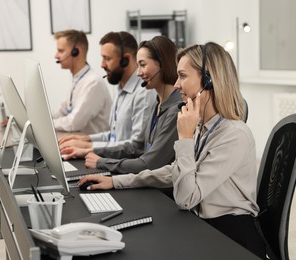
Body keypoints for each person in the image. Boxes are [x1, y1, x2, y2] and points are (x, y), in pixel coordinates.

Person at [77, 42, 267, 258]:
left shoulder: (234, 135)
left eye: (183, 76)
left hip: (233, 237)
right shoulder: (204, 127)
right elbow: (176, 170)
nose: (176, 84)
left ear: (209, 80)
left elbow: (186, 197)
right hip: (205, 225)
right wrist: (117, 181)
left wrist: (185, 138)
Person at [61, 36, 181, 174]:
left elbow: (147, 160)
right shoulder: (158, 102)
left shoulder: (173, 108)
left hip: (154, 185)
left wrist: (100, 160)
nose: (139, 73)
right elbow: (138, 146)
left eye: (143, 65)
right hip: (143, 177)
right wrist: (88, 143)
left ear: (162, 64)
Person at [58, 31, 156, 151]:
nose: (102, 65)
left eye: (107, 59)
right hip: (114, 160)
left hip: (127, 167)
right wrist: (86, 139)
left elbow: (137, 146)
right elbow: (114, 136)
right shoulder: (121, 89)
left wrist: (91, 147)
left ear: (126, 60)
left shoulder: (143, 93)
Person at [52, 29, 112, 134]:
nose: (56, 55)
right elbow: (62, 111)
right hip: (80, 142)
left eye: (61, 51)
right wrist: (37, 119)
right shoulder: (78, 79)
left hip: (95, 148)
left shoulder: (93, 83)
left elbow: (74, 123)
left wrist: (48, 124)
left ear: (76, 52)